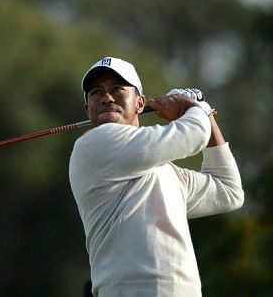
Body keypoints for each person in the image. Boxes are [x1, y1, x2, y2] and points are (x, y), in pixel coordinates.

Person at [69, 57, 244, 297]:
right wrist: (194, 107)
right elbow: (192, 135)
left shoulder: (166, 171)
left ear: (140, 103)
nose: (107, 97)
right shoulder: (92, 145)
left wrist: (205, 114)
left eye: (117, 89)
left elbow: (228, 191)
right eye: (96, 92)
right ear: (87, 109)